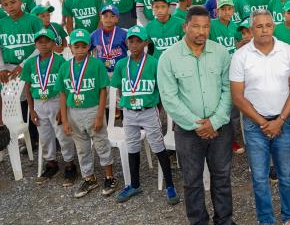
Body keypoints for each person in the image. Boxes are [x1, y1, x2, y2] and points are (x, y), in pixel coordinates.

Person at [157, 6, 248, 225]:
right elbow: (169, 98)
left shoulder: (220, 53)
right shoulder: (169, 57)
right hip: (188, 131)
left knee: (222, 175)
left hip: (219, 128)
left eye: (205, 26)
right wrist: (198, 125)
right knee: (192, 180)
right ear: (185, 26)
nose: (201, 31)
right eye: (195, 26)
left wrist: (215, 121)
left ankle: (224, 220)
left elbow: (228, 90)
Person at [230, 9, 290, 225]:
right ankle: (266, 222)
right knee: (260, 177)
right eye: (259, 26)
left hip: (282, 123)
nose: (264, 30)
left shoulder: (288, 53)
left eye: (268, 25)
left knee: (286, 176)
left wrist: (279, 121)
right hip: (254, 124)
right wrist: (263, 123)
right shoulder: (241, 56)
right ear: (251, 29)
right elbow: (238, 97)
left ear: (274, 26)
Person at [110, 25, 178, 205]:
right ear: (126, 43)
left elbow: (162, 89)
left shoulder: (154, 62)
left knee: (158, 145)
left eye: (138, 41)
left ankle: (170, 184)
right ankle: (134, 184)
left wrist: (158, 108)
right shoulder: (121, 64)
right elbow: (117, 86)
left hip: (148, 111)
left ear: (145, 43)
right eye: (131, 41)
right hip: (129, 112)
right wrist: (122, 104)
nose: (134, 44)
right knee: (132, 145)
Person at [57, 28, 118, 198]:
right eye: (76, 46)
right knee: (81, 147)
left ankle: (109, 176)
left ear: (89, 46)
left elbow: (102, 90)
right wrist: (64, 119)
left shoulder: (96, 64)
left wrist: (100, 116)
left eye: (84, 46)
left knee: (101, 143)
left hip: (92, 110)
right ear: (70, 47)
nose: (80, 50)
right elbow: (63, 93)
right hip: (73, 112)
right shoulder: (64, 67)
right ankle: (89, 178)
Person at [22, 28, 77, 186]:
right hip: (39, 103)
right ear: (35, 44)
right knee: (45, 136)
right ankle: (51, 164)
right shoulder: (30, 63)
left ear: (54, 43)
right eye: (40, 41)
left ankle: (69, 164)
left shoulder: (60, 62)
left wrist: (63, 109)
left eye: (47, 41)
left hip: (56, 101)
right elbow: (28, 86)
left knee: (62, 134)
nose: (44, 44)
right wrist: (31, 109)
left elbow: (66, 87)